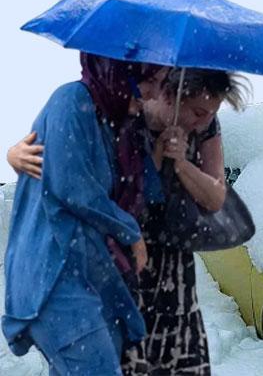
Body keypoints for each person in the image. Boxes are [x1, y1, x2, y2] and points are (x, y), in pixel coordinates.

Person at [9, 67, 248, 375]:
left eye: (211, 113)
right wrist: (15, 156)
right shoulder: (126, 109)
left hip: (164, 261)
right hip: (115, 258)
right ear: (172, 97)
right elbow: (69, 172)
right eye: (198, 111)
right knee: (116, 359)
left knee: (173, 357)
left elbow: (215, 197)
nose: (203, 121)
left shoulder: (203, 128)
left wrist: (181, 164)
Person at [2, 53, 169, 375]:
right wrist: (130, 233)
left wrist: (159, 145)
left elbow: (149, 193)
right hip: (55, 277)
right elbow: (72, 186)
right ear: (122, 77)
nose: (151, 96)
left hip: (92, 276)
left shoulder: (116, 124)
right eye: (147, 85)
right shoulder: (72, 100)